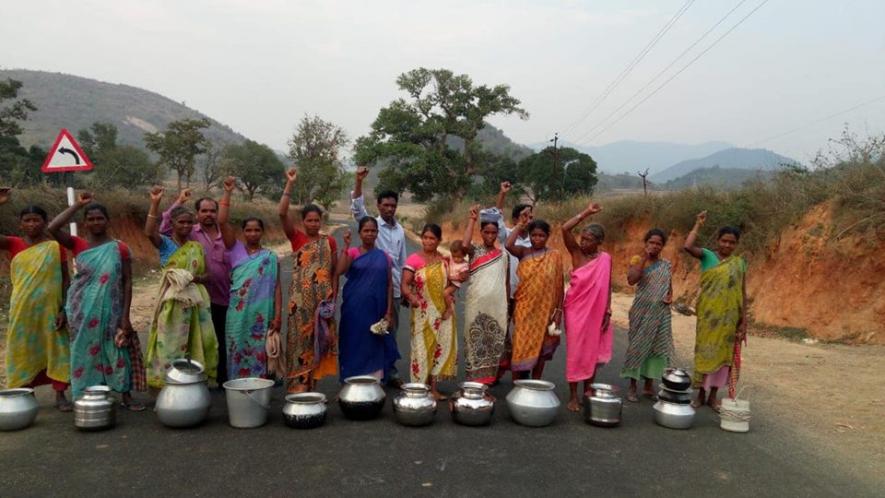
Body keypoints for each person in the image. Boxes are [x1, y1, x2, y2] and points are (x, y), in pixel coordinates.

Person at [47, 192, 145, 410]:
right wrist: (77, 205)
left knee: (118, 348)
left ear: (107, 221)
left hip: (112, 309)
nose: (95, 222)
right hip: (81, 309)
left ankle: (125, 395)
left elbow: (127, 282)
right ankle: (84, 396)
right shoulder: (78, 244)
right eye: (90, 219)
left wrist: (125, 316)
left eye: (100, 218)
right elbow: (52, 228)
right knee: (84, 350)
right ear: (85, 222)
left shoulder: (119, 248)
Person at [0, 188, 72, 411]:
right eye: (27, 220)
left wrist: (65, 310)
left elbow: (66, 280)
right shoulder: (14, 244)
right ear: (21, 224)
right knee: (23, 350)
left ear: (45, 222)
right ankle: (25, 393)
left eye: (36, 220)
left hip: (51, 310)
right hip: (23, 310)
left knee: (57, 349)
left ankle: (60, 395)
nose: (32, 224)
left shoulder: (55, 247)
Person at [144, 186, 218, 389]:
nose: (185, 226)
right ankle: (167, 386)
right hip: (172, 304)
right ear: (173, 224)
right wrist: (155, 203)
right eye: (181, 222)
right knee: (170, 344)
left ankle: (194, 386)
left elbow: (208, 275)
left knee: (198, 343)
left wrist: (192, 278)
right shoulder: (165, 244)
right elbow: (149, 231)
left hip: (196, 303)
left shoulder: (196, 247)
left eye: (189, 222)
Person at [159, 187, 231, 385]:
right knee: (194, 340)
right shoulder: (190, 232)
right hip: (197, 298)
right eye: (204, 211)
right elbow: (165, 227)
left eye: (212, 211)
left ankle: (221, 378)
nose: (209, 214)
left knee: (219, 341)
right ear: (197, 214)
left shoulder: (225, 233)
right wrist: (179, 202)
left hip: (224, 296)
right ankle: (192, 380)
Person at [279, 168, 338, 393]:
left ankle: (314, 382)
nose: (313, 224)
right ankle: (298, 382)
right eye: (309, 220)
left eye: (317, 220)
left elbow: (333, 272)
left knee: (320, 338)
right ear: (303, 222)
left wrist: (334, 298)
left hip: (322, 301)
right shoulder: (297, 238)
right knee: (298, 339)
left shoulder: (329, 242)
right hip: (299, 301)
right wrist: (290, 184)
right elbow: (282, 214)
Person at [217, 177, 282, 380]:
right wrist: (227, 192)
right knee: (236, 349)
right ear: (243, 232)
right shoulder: (234, 249)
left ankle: (258, 393)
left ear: (262, 232)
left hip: (261, 316)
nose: (253, 233)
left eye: (257, 230)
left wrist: (278, 316)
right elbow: (221, 221)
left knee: (259, 354)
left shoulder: (270, 257)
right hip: (237, 314)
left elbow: (277, 288)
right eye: (248, 230)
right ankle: (237, 391)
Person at [684, 210, 748, 412]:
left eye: (731, 242)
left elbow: (742, 293)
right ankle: (700, 395)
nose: (727, 245)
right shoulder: (708, 256)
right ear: (718, 240)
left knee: (723, 360)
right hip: (709, 317)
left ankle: (713, 397)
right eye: (724, 241)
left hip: (729, 320)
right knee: (705, 353)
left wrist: (744, 320)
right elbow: (687, 246)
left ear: (736, 244)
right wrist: (698, 224)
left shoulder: (739, 263)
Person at [350, 165, 405, 386]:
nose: (389, 208)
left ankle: (389, 370)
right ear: (379, 206)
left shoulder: (400, 230)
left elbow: (400, 262)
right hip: (371, 289)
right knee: (369, 330)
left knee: (390, 330)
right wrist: (359, 181)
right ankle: (369, 371)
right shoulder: (371, 224)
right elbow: (356, 209)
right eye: (385, 205)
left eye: (393, 205)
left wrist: (405, 290)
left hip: (395, 289)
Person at [561, 203, 614, 411]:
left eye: (589, 239)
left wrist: (608, 310)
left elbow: (607, 286)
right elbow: (565, 229)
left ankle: (587, 391)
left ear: (599, 242)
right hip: (575, 311)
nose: (583, 242)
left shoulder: (605, 259)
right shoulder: (577, 254)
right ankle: (573, 395)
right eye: (582, 238)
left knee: (591, 350)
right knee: (576, 351)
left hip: (597, 311)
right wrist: (586, 213)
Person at [481, 181, 533, 378]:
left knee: (523, 334)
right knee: (500, 333)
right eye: (524, 216)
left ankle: (520, 374)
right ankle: (497, 371)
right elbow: (497, 215)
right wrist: (502, 194)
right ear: (516, 219)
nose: (528, 219)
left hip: (525, 297)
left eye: (530, 216)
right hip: (503, 294)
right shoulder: (506, 235)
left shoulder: (535, 240)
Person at [401, 224, 457, 400]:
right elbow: (405, 284)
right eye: (425, 237)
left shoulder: (444, 260)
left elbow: (453, 282)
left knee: (438, 349)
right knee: (421, 350)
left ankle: (433, 389)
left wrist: (449, 303)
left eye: (432, 238)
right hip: (422, 313)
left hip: (442, 313)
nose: (428, 241)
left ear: (439, 240)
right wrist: (412, 298)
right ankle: (419, 389)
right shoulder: (413, 260)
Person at [335, 216, 394, 380]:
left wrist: (389, 312)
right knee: (352, 343)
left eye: (373, 231)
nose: (370, 234)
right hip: (354, 310)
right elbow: (339, 270)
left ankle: (373, 382)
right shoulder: (352, 252)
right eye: (366, 231)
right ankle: (350, 381)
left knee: (373, 344)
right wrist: (346, 246)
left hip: (376, 311)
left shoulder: (384, 257)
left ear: (377, 233)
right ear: (360, 233)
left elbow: (389, 285)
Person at [505, 214, 563, 380]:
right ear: (529, 236)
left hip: (546, 312)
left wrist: (558, 312)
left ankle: (536, 383)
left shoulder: (554, 256)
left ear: (547, 237)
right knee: (520, 345)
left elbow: (559, 286)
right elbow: (508, 244)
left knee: (541, 346)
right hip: (524, 309)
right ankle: (517, 384)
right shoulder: (523, 252)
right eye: (534, 235)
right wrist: (520, 225)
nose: (537, 239)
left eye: (541, 235)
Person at [622, 228, 675, 403]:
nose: (654, 246)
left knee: (655, 348)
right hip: (641, 311)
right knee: (637, 346)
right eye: (651, 242)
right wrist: (644, 257)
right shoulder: (637, 260)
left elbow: (668, 285)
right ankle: (632, 387)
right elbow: (632, 280)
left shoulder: (666, 264)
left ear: (662, 246)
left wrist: (669, 296)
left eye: (658, 243)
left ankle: (648, 386)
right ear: (646, 243)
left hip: (660, 313)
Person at [461, 204, 509, 385]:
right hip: (476, 306)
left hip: (497, 308)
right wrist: (472, 220)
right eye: (486, 232)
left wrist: (507, 308)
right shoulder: (475, 251)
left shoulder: (503, 255)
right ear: (481, 232)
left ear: (497, 234)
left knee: (493, 344)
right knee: (474, 343)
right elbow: (464, 245)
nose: (490, 236)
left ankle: (486, 385)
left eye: (493, 233)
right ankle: (473, 384)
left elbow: (505, 284)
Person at [441, 239, 469, 320]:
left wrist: (452, 277)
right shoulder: (451, 258)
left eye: (458, 257)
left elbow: (461, 278)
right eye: (454, 256)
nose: (455, 259)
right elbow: (444, 258)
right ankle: (450, 298)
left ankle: (449, 309)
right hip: (448, 281)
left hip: (454, 284)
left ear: (464, 255)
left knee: (445, 293)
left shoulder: (464, 266)